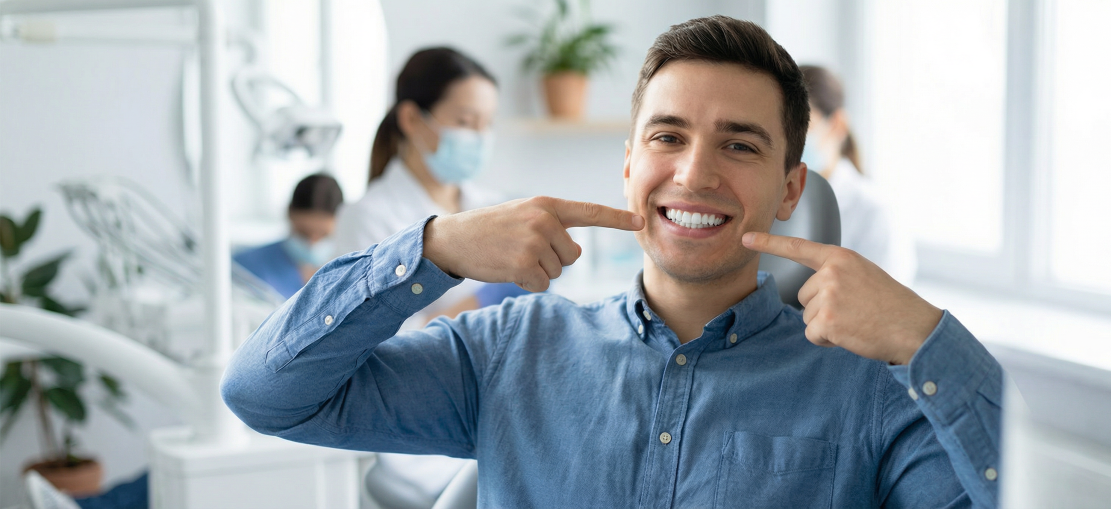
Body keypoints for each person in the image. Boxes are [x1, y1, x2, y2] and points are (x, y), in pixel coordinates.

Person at [223, 16, 1003, 509]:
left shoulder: (868, 387)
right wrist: (436, 248)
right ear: (629, 164)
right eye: (668, 136)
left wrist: (929, 338)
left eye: (739, 144)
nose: (695, 173)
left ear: (791, 187)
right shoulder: (511, 350)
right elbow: (264, 394)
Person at [334, 47, 526, 326]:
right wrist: (479, 303)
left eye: (487, 124)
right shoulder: (367, 218)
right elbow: (366, 338)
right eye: (465, 122)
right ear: (411, 119)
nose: (480, 138)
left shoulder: (494, 206)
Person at [799, 64, 917, 285]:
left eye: (803, 126)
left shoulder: (874, 210)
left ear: (837, 125)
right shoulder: (779, 198)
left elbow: (888, 305)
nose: (792, 142)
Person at [233, 173, 342, 299]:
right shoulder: (245, 268)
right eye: (303, 233)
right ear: (289, 214)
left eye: (324, 235)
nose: (312, 243)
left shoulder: (353, 274)